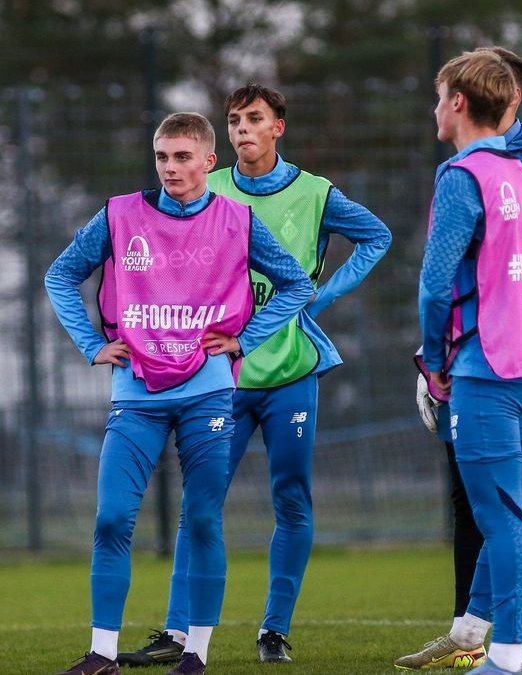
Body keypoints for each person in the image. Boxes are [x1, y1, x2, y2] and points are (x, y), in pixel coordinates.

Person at [116, 83, 391, 668]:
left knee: (290, 498)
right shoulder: (206, 186)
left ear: (277, 127)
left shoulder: (315, 193)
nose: (243, 128)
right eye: (235, 120)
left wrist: (320, 295)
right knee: (199, 506)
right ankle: (177, 633)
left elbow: (377, 236)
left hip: (290, 373)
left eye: (255, 119)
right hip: (220, 378)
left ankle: (274, 630)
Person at [44, 112, 312, 675]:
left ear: (209, 162)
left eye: (183, 156)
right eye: (162, 156)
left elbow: (295, 284)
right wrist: (92, 344)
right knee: (112, 519)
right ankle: (102, 654)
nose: (170, 167)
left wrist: (243, 340)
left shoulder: (237, 219)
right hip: (136, 391)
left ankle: (196, 654)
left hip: (207, 392)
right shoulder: (120, 214)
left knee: (204, 520)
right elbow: (60, 275)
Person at [401, 46, 522, 671]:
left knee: (501, 518)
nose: (435, 110)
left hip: (485, 366)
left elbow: (434, 285)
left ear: (457, 103)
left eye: (438, 98)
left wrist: (434, 360)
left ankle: (503, 656)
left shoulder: (463, 176)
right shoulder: (520, 171)